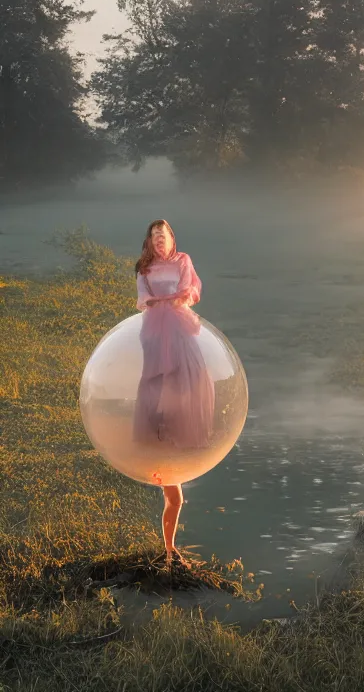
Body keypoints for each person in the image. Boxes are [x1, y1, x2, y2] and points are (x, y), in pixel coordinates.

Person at [133, 219, 215, 567]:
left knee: (188, 372)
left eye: (163, 234)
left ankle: (169, 552)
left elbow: (190, 289)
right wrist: (158, 300)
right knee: (155, 376)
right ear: (149, 241)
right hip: (155, 326)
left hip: (177, 323)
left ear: (171, 238)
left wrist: (175, 298)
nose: (160, 239)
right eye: (155, 235)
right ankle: (169, 552)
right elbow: (143, 297)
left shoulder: (182, 260)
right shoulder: (145, 267)